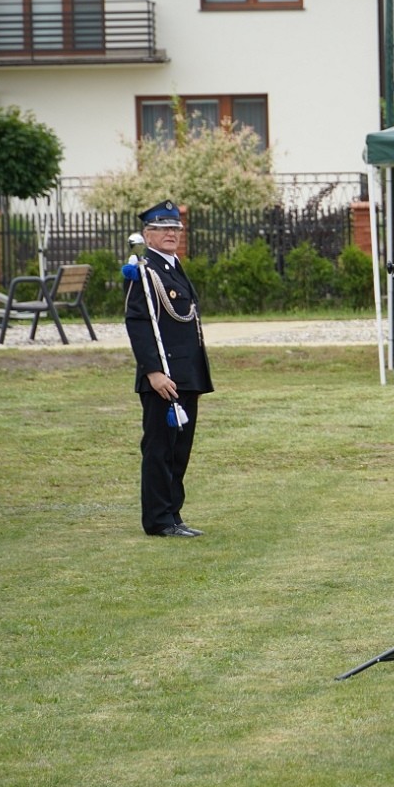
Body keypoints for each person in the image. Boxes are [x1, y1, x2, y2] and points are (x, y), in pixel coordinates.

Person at [123, 200, 214, 538]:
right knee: (160, 449)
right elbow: (138, 323)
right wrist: (153, 372)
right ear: (147, 234)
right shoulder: (144, 272)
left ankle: (173, 515)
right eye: (162, 229)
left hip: (186, 373)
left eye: (175, 229)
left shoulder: (173, 267)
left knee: (179, 449)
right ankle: (158, 520)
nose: (171, 234)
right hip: (163, 377)